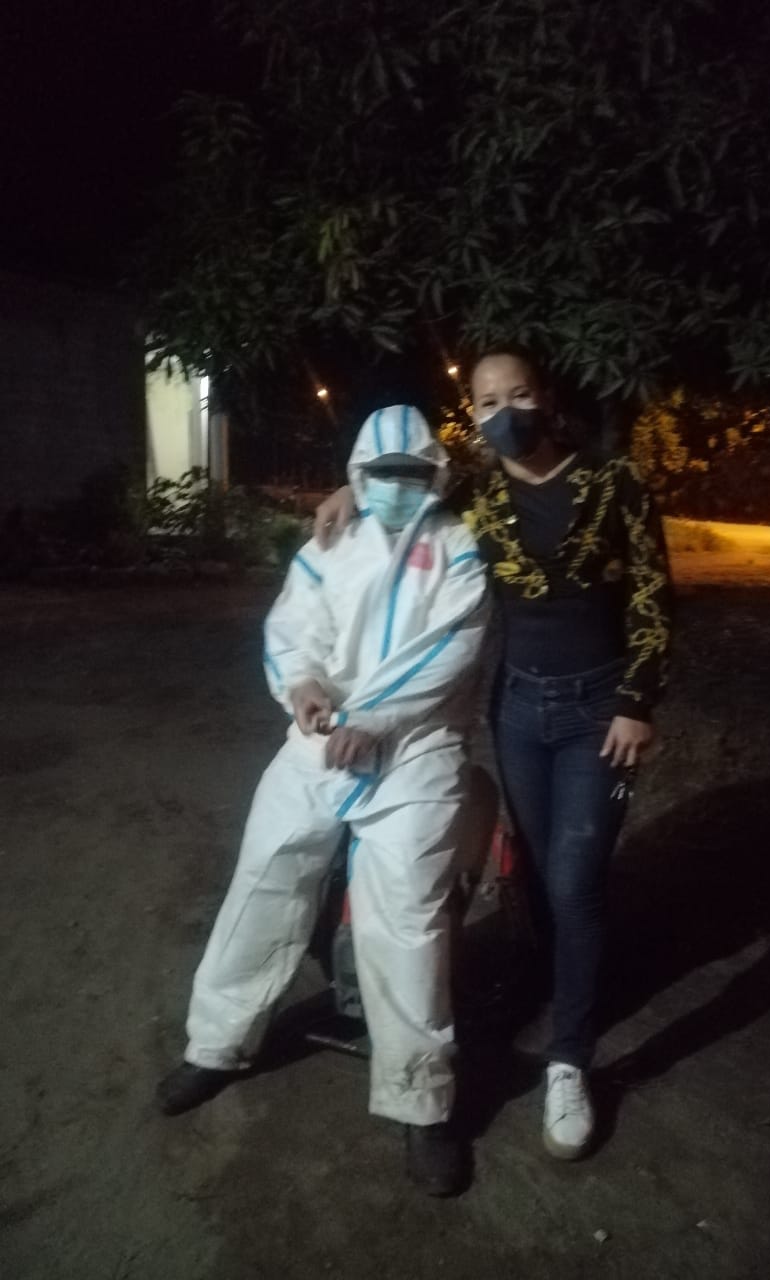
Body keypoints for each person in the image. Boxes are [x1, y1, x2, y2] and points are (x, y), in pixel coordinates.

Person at [315, 349, 672, 1160]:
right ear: (471, 415)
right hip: (519, 708)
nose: (504, 411)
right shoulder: (476, 498)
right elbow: (403, 499)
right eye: (485, 401)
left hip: (598, 712)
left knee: (576, 880)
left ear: (546, 397)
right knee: (541, 871)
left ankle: (570, 1060)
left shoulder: (613, 483)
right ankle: (544, 981)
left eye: (518, 394)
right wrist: (349, 490)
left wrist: (638, 700)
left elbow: (654, 594)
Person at [156, 405, 490, 1197]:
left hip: (416, 752)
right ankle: (215, 1044)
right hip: (319, 743)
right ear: (356, 476)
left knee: (405, 920)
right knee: (265, 876)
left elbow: (453, 647)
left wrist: (375, 720)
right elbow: (291, 627)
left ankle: (421, 1102)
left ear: (437, 476)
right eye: (383, 474)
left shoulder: (459, 547)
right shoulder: (331, 541)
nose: (397, 487)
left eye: (413, 474)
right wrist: (302, 685)